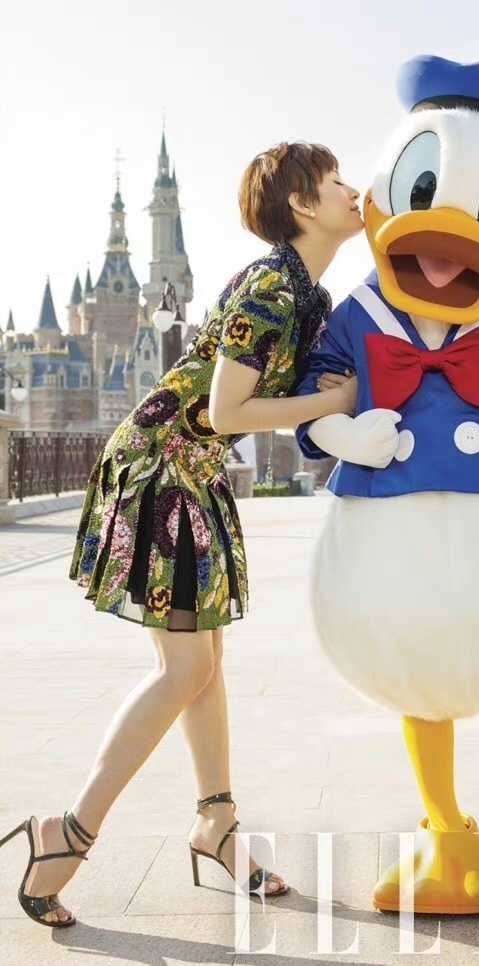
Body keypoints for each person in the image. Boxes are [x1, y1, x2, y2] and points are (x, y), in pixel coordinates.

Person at [0, 141, 362, 927]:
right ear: (302, 204)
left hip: (190, 467)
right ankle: (68, 831)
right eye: (338, 182)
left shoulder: (306, 295)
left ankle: (216, 824)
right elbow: (229, 411)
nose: (355, 191)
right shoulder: (272, 287)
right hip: (162, 464)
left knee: (203, 662)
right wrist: (331, 403)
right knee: (185, 666)